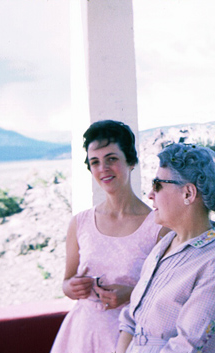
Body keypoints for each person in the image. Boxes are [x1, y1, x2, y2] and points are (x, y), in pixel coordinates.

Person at [51, 120, 169, 353]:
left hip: (131, 340)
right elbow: (66, 284)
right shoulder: (80, 223)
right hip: (80, 337)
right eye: (95, 162)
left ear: (131, 161)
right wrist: (72, 287)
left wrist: (131, 294)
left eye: (112, 159)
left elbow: (168, 294)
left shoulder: (158, 227)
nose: (103, 168)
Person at [116, 143, 215, 353]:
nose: (150, 194)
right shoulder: (164, 246)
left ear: (188, 193)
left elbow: (191, 346)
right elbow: (131, 320)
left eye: (157, 185)